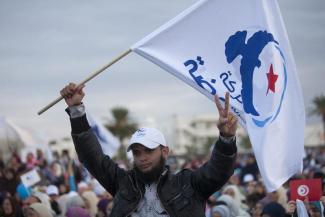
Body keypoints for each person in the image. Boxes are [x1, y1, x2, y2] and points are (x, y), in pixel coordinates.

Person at [60, 83, 238, 217]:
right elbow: (92, 158)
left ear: (165, 151)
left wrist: (226, 138)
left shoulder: (188, 184)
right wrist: (76, 110)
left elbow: (218, 170)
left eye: (149, 150)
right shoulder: (123, 183)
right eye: (137, 152)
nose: (142, 157)